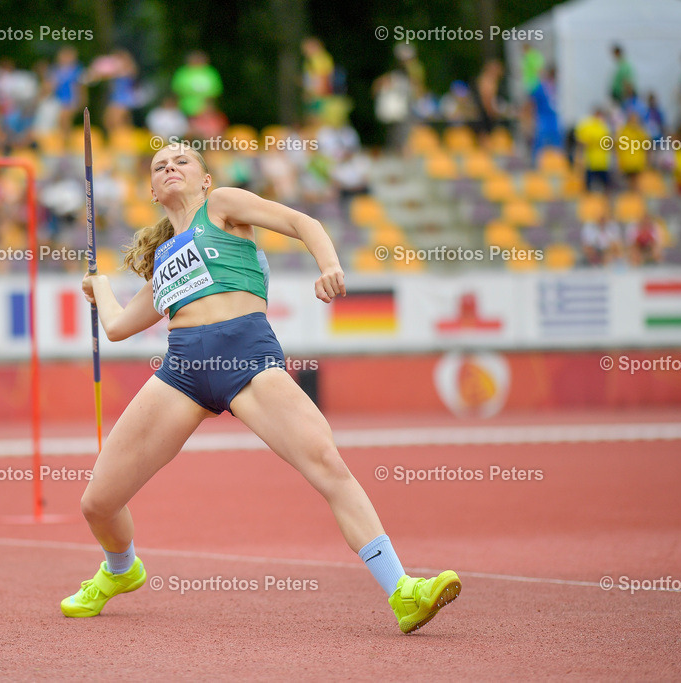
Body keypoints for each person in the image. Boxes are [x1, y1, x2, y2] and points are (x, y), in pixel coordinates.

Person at [62, 143, 461, 634]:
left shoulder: (223, 205)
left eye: (182, 161)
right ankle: (121, 570)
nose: (170, 168)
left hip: (246, 357)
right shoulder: (163, 258)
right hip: (182, 371)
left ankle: (402, 589)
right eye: (160, 165)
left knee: (327, 464)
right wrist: (99, 289)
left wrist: (329, 264)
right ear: (151, 191)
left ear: (205, 179)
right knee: (97, 502)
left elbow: (303, 224)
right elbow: (120, 327)